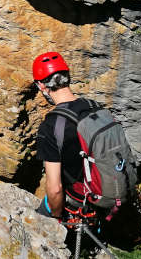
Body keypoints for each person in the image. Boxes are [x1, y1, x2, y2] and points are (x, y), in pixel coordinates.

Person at [33, 51, 94, 220]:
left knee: (40, 216)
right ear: (68, 77)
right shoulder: (93, 107)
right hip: (108, 187)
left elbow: (55, 189)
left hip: (81, 196)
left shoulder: (51, 126)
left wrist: (56, 217)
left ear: (42, 86)